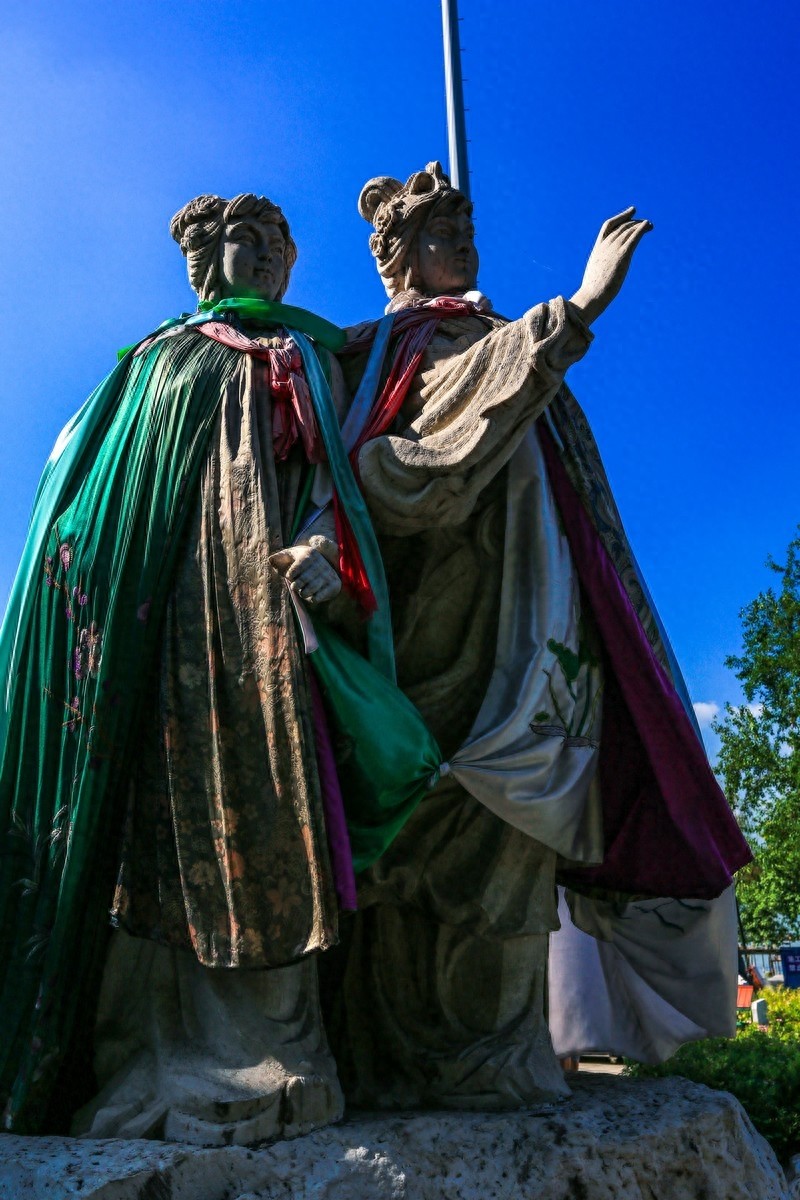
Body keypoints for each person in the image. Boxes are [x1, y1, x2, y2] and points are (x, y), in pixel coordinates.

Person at [327, 163, 751, 1108]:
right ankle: (408, 1057)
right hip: (432, 620)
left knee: (512, 832)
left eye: (467, 229)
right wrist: (575, 312)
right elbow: (414, 462)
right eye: (442, 231)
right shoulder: (386, 352)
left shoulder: (487, 335)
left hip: (525, 618)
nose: (464, 244)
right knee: (427, 817)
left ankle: (498, 1047)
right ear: (398, 256)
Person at [0, 192, 356, 1144]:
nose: (267, 254)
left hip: (266, 613)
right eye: (246, 238)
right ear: (204, 262)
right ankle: (144, 1051)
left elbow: (342, 475)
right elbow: (89, 489)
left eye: (278, 241)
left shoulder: (312, 355)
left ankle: (273, 1048)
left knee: (268, 795)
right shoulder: (162, 358)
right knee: (155, 808)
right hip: (160, 612)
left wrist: (324, 542)